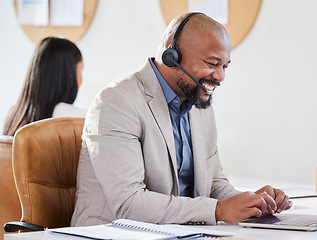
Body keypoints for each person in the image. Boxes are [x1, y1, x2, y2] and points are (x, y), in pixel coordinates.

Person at [71, 12, 292, 227]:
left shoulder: (199, 105)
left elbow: (214, 184)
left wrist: (253, 203)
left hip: (178, 231)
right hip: (113, 232)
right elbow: (128, 203)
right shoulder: (117, 102)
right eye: (212, 63)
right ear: (172, 54)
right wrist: (218, 210)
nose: (220, 76)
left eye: (224, 66)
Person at [3, 37, 87, 136]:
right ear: (68, 76)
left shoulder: (13, 116)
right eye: (80, 71)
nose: (81, 81)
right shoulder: (75, 119)